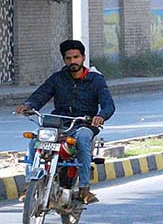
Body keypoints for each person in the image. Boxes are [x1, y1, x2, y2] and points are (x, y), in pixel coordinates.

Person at [16, 39, 115, 204]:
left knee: (83, 138)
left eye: (76, 57)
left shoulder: (95, 80)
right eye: (68, 58)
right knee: (35, 139)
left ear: (83, 58)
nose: (72, 61)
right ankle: (29, 183)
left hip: (83, 123)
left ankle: (84, 188)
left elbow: (108, 104)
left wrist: (101, 116)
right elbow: (41, 94)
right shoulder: (58, 78)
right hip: (58, 123)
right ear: (64, 60)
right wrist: (28, 105)